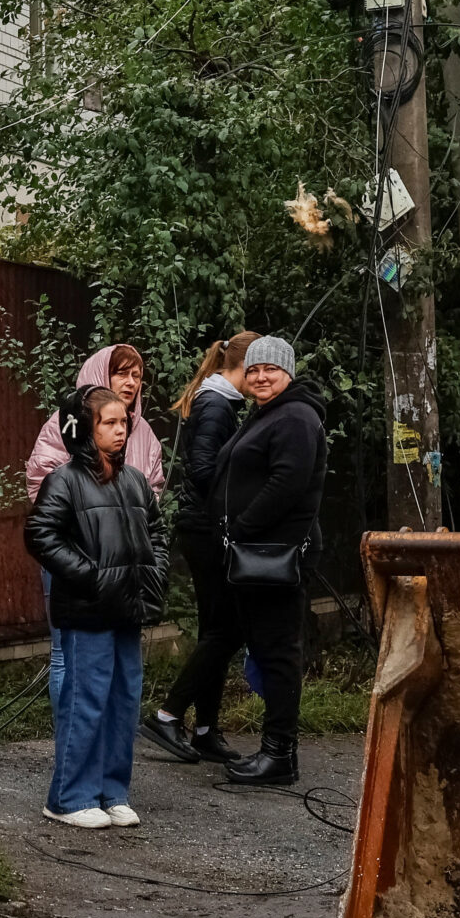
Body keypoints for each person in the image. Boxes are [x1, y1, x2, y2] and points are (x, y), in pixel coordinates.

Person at [26, 385, 168, 829]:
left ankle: (112, 791)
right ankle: (69, 797)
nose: (120, 430)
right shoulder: (64, 480)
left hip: (128, 608)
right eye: (109, 422)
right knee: (85, 699)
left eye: (123, 421)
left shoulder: (134, 481)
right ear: (85, 428)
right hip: (87, 610)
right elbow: (41, 536)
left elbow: (159, 533)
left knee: (124, 698)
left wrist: (152, 575)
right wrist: (92, 577)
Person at [141, 330, 261, 764]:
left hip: (207, 527)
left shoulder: (221, 401)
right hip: (206, 529)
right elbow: (204, 470)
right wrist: (244, 499)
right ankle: (168, 715)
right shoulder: (216, 405)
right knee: (226, 630)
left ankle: (206, 730)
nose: (263, 378)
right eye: (260, 369)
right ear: (244, 367)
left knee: (219, 629)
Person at [212, 335, 327, 786]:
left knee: (279, 654)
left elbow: (288, 484)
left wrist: (239, 528)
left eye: (271, 370)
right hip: (258, 555)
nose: (260, 376)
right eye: (254, 369)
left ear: (289, 374)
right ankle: (274, 750)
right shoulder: (269, 413)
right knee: (267, 648)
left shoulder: (296, 416)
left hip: (274, 554)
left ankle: (279, 755)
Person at [25, 343, 164, 497]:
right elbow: (42, 480)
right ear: (101, 374)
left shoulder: (144, 431)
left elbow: (154, 489)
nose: (131, 382)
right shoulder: (67, 421)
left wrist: (139, 517)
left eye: (136, 375)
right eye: (122, 374)